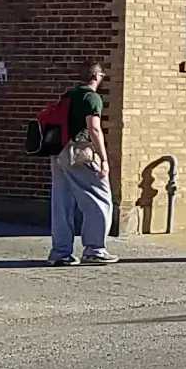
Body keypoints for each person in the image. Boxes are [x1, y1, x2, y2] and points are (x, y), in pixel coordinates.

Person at [50, 61, 115, 266]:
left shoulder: (69, 95)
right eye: (102, 76)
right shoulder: (91, 97)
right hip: (79, 151)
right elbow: (94, 129)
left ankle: (61, 253)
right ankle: (95, 249)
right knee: (100, 198)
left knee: (62, 203)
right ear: (96, 76)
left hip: (58, 152)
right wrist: (103, 159)